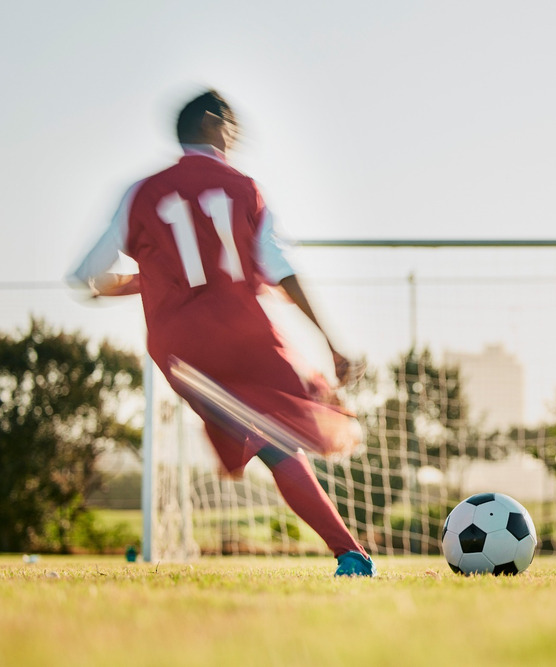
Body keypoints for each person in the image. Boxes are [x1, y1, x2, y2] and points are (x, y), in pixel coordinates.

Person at [68, 89, 375, 577]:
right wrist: (330, 342)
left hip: (181, 352)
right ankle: (351, 555)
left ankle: (350, 553)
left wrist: (135, 282)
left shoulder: (140, 193)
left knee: (270, 441)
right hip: (245, 338)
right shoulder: (245, 189)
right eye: (232, 125)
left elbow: (84, 275)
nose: (237, 135)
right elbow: (281, 270)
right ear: (213, 124)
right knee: (279, 441)